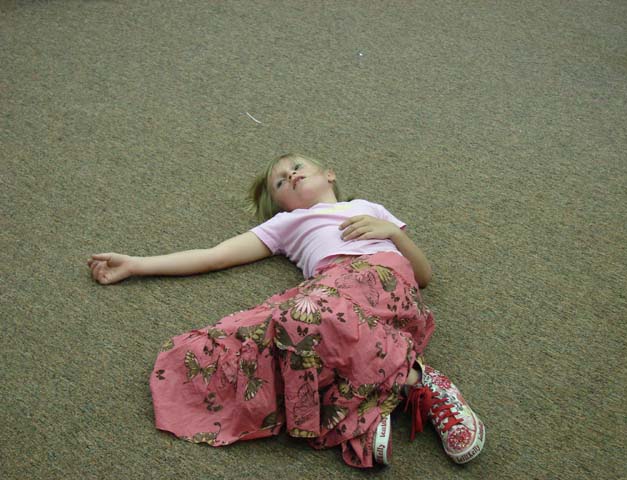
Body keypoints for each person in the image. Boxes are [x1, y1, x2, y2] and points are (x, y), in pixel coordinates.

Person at [87, 153, 485, 468]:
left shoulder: (367, 207)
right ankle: (381, 388)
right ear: (279, 204)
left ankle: (415, 384)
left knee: (310, 312)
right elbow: (214, 256)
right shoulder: (287, 224)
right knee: (276, 329)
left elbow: (424, 276)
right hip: (329, 290)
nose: (291, 176)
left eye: (296, 167)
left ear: (329, 174)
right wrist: (137, 264)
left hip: (385, 280)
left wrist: (394, 233)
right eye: (280, 182)